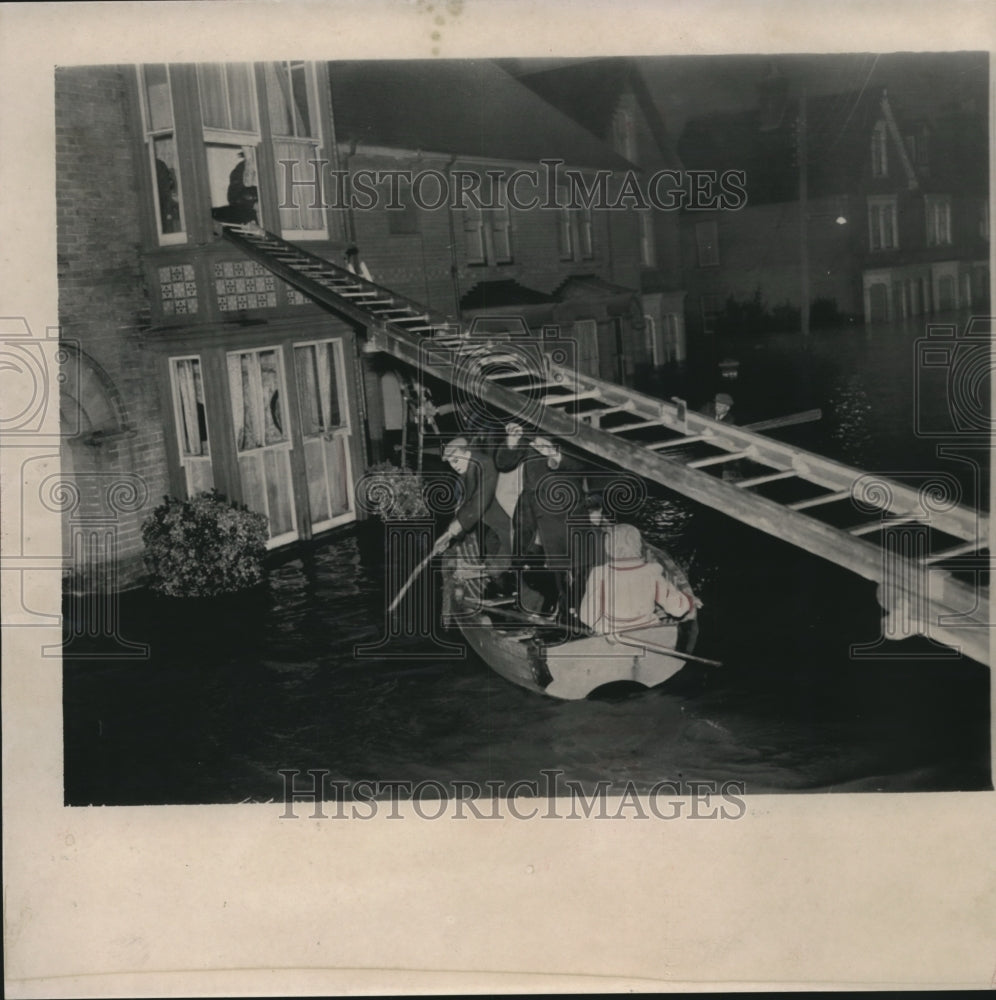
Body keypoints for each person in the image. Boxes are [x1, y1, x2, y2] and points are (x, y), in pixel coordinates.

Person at [495, 424, 587, 616]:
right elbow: (503, 463)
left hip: (563, 509)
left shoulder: (573, 435)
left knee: (570, 569)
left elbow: (580, 465)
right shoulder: (530, 438)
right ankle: (541, 604)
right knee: (526, 560)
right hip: (530, 509)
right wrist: (511, 441)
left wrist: (553, 454)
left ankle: (570, 611)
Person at [579, 523, 693, 635]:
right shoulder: (651, 572)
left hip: (613, 637)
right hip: (647, 634)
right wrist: (689, 599)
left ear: (608, 546)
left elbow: (587, 615)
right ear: (638, 545)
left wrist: (602, 628)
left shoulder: (599, 573)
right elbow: (678, 609)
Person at [433, 437, 511, 585]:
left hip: (510, 523)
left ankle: (527, 596)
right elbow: (464, 505)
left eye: (455, 460)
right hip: (493, 525)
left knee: (502, 561)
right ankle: (503, 588)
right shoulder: (467, 470)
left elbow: (478, 502)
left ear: (466, 452)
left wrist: (452, 532)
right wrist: (447, 535)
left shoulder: (484, 464)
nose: (453, 466)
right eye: (450, 462)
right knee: (492, 554)